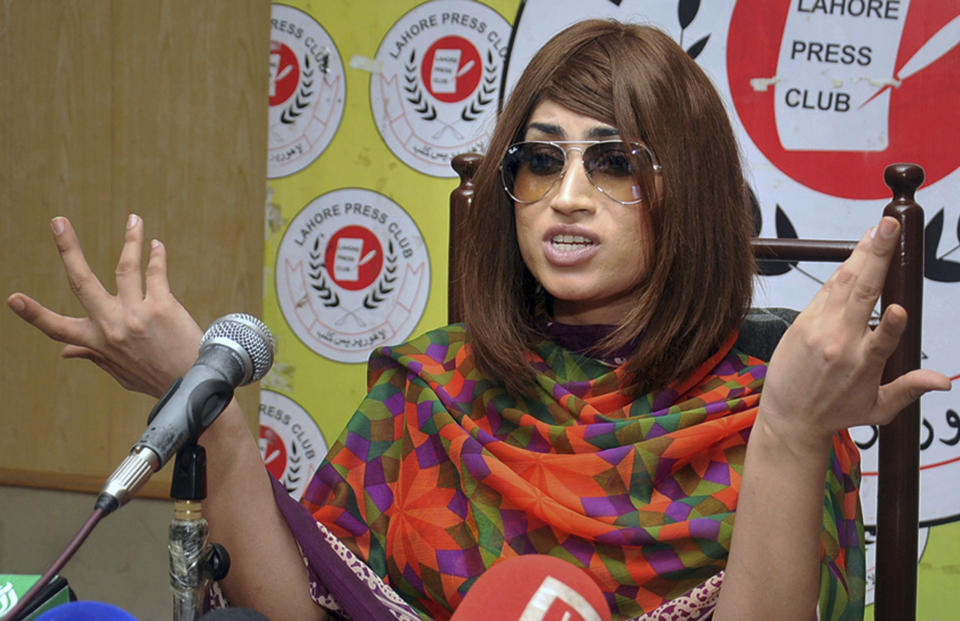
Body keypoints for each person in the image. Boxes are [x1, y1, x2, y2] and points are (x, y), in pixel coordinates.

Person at [6, 19, 950, 621]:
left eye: (613, 162)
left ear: (690, 193)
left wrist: (788, 430)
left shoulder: (779, 402)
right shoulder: (436, 387)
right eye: (538, 163)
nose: (567, 198)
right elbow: (291, 612)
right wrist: (209, 402)